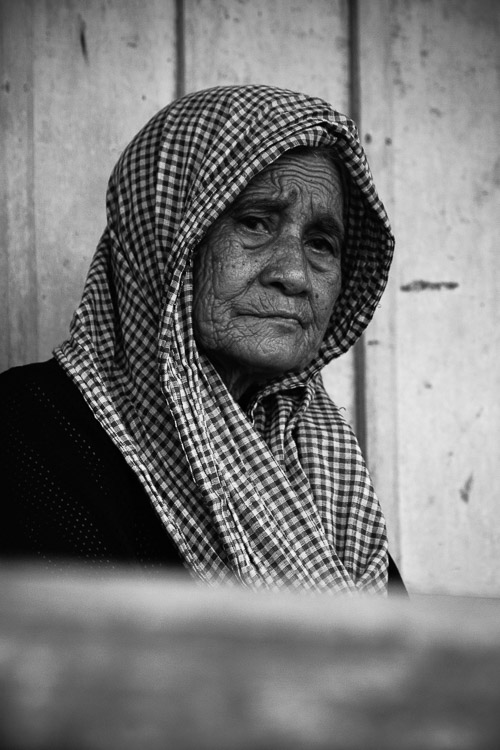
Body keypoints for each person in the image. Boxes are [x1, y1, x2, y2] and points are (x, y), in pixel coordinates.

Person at [0, 85, 405, 594]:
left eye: (321, 243)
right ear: (164, 238)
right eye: (255, 223)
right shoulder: (24, 434)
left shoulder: (320, 463)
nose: (295, 275)